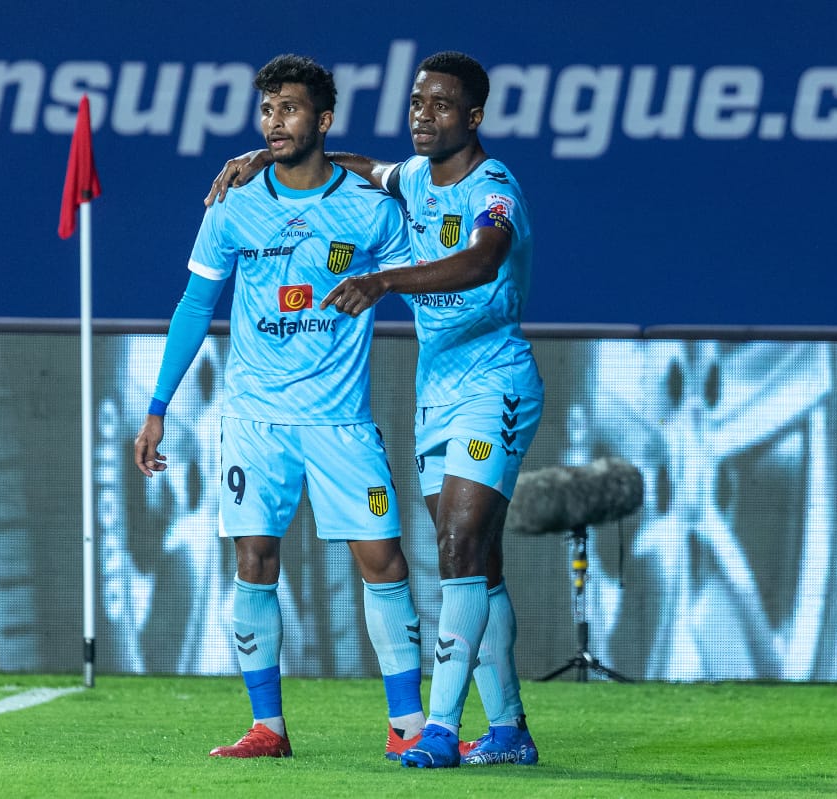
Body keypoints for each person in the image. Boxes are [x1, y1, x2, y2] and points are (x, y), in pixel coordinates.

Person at [207, 51, 543, 768]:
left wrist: (386, 279)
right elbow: (352, 165)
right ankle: (509, 726)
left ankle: (437, 728)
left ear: (474, 117)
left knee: (456, 547)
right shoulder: (413, 179)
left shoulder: (495, 188)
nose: (424, 115)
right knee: (478, 561)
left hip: (495, 385)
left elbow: (484, 259)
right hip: (437, 393)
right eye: (417, 103)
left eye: (441, 105)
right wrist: (258, 156)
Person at [134, 53, 426, 761]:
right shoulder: (233, 205)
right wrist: (158, 406)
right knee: (254, 558)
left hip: (340, 422)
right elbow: (195, 305)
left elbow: (423, 285)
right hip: (254, 420)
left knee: (384, 562)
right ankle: (268, 727)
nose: (274, 121)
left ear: (323, 120)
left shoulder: (373, 209)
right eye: (267, 110)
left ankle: (410, 728)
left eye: (289, 109)